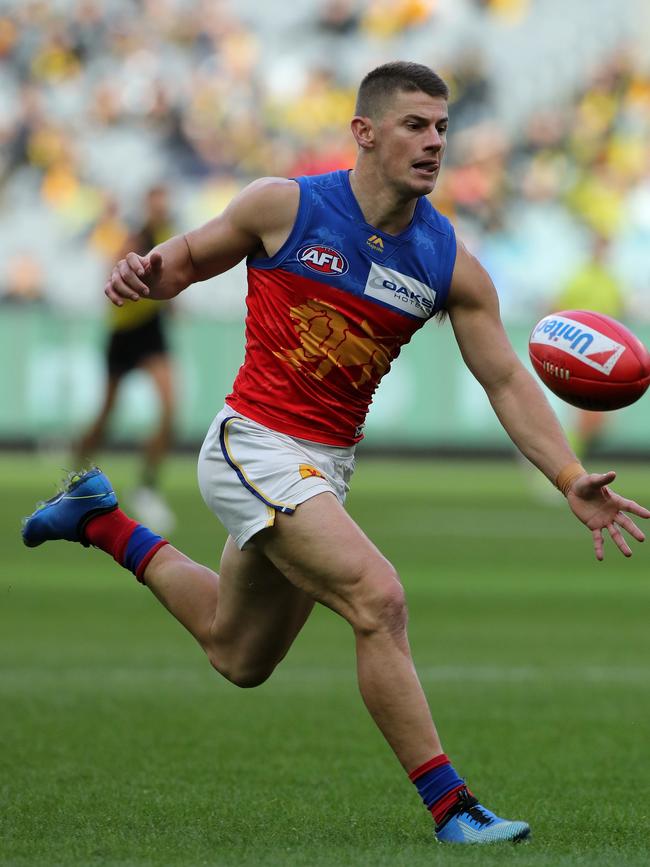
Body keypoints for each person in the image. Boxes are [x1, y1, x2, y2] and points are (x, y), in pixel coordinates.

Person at [23, 62, 649, 846]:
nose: (433, 142)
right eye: (415, 125)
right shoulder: (285, 207)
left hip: (324, 468)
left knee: (236, 651)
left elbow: (504, 379)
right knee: (378, 599)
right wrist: (144, 272)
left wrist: (567, 475)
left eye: (443, 128)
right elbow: (179, 261)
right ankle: (454, 808)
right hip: (253, 443)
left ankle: (100, 519)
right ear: (364, 132)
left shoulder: (446, 259)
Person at [74, 185, 177, 533]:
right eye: (156, 199)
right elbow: (114, 273)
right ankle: (77, 475)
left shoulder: (168, 235)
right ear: (147, 205)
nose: (162, 206)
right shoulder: (134, 236)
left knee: (168, 408)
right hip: (124, 333)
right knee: (106, 415)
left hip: (151, 330)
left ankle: (147, 487)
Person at [553, 232, 627, 458]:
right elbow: (558, 308)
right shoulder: (580, 278)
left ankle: (563, 457)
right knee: (585, 415)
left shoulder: (612, 281)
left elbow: (619, 315)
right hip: (580, 353)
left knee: (596, 421)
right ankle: (562, 460)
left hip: (604, 356)